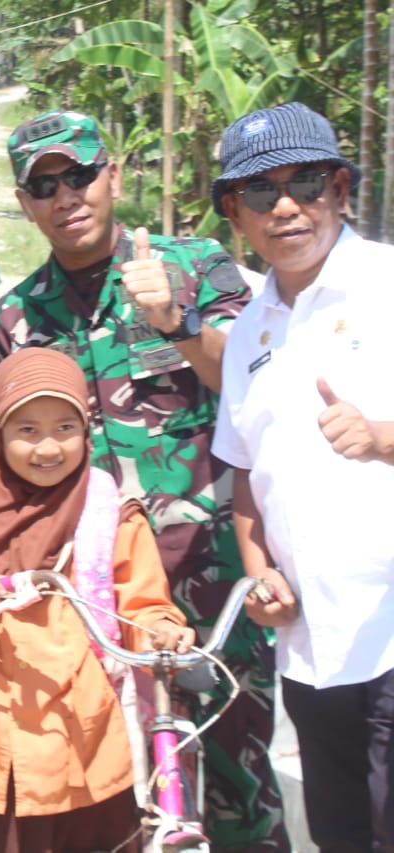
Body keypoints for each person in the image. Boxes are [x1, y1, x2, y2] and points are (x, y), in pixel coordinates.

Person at [0, 108, 284, 850]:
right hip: (94, 590)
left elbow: (254, 391)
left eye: (80, 174)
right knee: (116, 779)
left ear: (112, 175)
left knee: (240, 773)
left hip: (210, 572)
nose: (67, 195)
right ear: (25, 203)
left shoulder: (195, 263)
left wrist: (175, 318)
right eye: (44, 184)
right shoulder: (14, 318)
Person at [0, 347, 194, 851]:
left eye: (66, 428)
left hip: (85, 742)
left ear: (87, 429)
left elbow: (144, 607)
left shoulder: (111, 511)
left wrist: (162, 631)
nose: (48, 448)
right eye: (27, 430)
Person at [211, 101, 394, 852]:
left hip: (391, 634)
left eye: (307, 183)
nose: (286, 207)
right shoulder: (248, 329)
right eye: (261, 192)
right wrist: (259, 574)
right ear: (235, 213)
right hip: (311, 650)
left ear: (342, 190)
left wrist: (383, 437)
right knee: (341, 834)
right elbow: (248, 472)